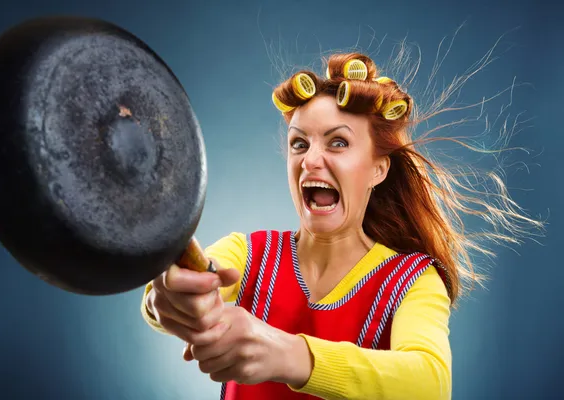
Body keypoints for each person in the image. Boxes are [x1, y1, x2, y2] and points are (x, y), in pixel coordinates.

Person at [140, 52, 542, 400]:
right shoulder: (248, 255)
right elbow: (181, 286)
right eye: (300, 143)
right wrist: (170, 300)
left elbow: (430, 382)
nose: (311, 159)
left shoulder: (413, 281)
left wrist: (291, 356)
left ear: (378, 169)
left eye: (337, 143)